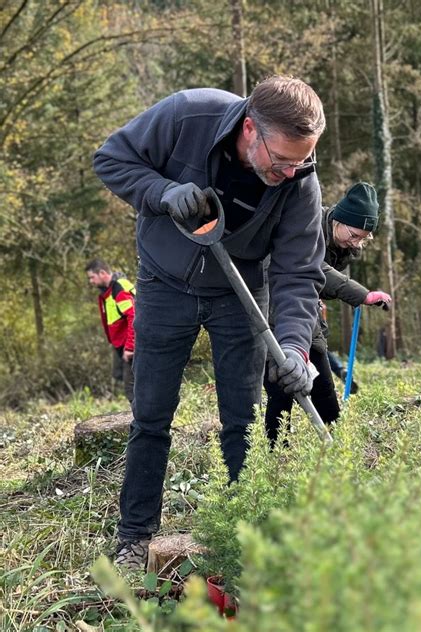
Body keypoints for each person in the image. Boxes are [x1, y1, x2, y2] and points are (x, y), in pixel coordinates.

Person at [93, 75, 327, 569]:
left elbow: (298, 272)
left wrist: (295, 349)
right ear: (249, 129)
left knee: (241, 422)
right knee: (150, 417)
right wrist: (162, 191)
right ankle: (135, 538)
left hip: (240, 295)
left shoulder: (300, 181)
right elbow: (111, 158)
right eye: (280, 160)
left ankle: (245, 537)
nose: (289, 173)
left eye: (300, 161)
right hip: (163, 284)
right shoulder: (187, 115)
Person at [264, 182, 391, 444]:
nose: (357, 243)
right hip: (275, 313)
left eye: (363, 238)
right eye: (355, 235)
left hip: (307, 319)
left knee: (324, 388)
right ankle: (275, 457)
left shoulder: (341, 243)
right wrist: (361, 294)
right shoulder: (308, 223)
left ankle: (337, 449)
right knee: (282, 391)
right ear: (339, 220)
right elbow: (312, 267)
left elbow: (321, 284)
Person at [85, 258, 136, 402]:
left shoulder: (118, 288)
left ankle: (144, 421)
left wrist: (130, 347)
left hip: (131, 344)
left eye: (92, 278)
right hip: (120, 343)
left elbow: (134, 316)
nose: (91, 282)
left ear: (102, 273)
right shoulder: (108, 291)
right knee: (118, 374)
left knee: (131, 389)